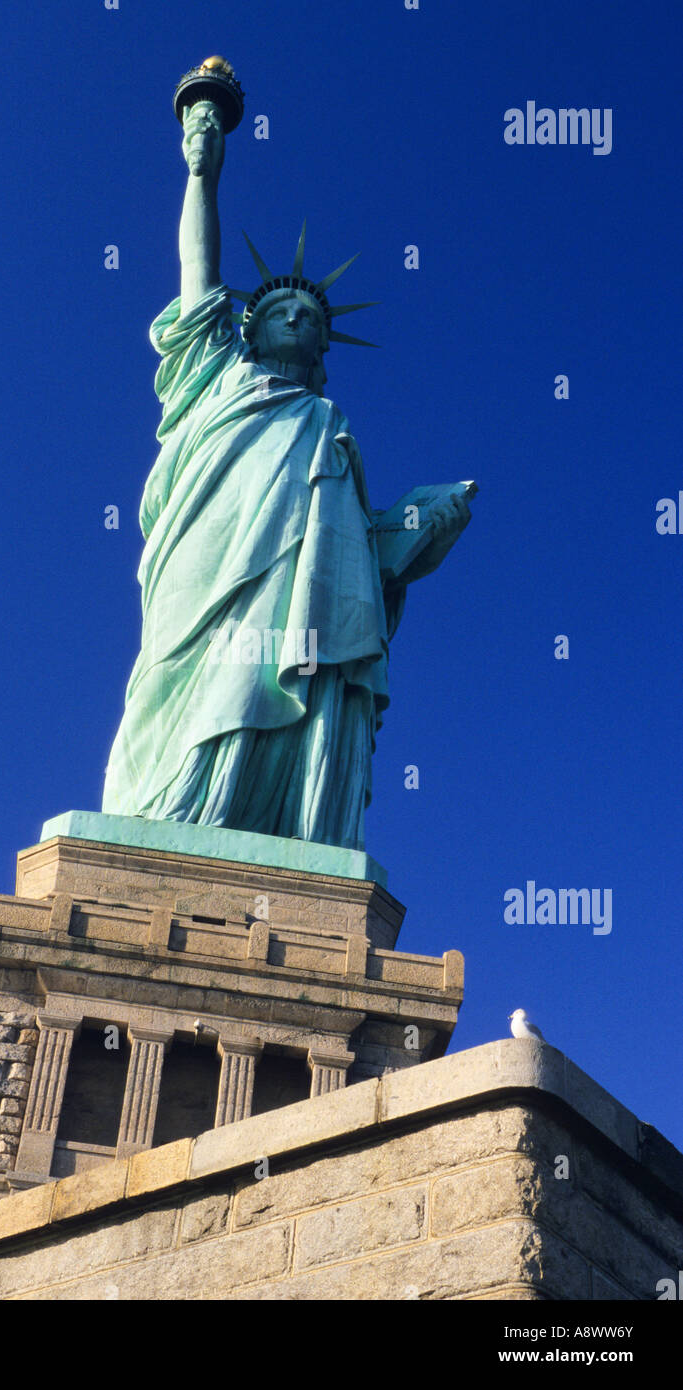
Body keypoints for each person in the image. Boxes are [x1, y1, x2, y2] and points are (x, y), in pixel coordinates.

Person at [102, 99, 470, 850]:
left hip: (294, 597)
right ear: (249, 328)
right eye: (282, 311)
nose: (299, 320)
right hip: (203, 567)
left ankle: (273, 835)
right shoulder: (212, 378)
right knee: (181, 680)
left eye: (312, 317)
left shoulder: (327, 427)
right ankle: (164, 819)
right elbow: (197, 274)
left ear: (326, 350)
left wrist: (418, 524)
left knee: (279, 671)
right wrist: (201, 174)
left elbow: (356, 555)